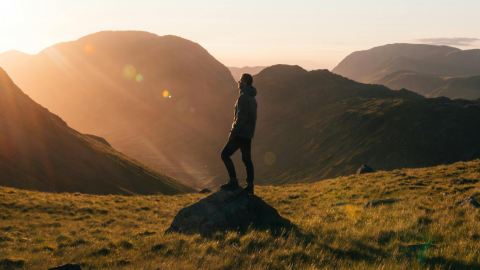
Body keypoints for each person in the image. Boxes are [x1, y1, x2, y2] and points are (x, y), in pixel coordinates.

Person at [220, 73, 257, 194]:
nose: (238, 82)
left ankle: (233, 181)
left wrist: (233, 133)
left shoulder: (243, 97)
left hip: (240, 134)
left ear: (245, 83)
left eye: (240, 80)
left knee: (225, 154)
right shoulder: (253, 98)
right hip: (248, 135)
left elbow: (240, 118)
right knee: (247, 159)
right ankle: (250, 185)